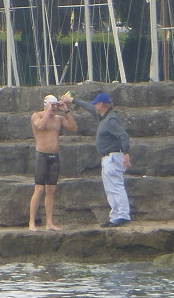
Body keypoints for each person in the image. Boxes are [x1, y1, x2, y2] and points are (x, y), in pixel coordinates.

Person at [63, 92, 131, 227]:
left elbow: (124, 136)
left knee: (116, 187)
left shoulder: (110, 120)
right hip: (107, 158)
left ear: (101, 104)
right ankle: (115, 216)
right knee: (110, 188)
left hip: (113, 157)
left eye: (96, 104)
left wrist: (126, 154)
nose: (94, 106)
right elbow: (88, 107)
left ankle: (123, 215)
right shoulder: (103, 117)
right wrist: (71, 100)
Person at [29, 95, 77, 231]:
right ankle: (31, 222)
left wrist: (66, 110)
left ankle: (49, 223)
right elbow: (40, 126)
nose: (55, 108)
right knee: (39, 189)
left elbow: (73, 128)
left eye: (56, 105)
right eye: (53, 105)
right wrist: (48, 111)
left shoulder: (58, 119)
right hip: (41, 155)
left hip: (54, 156)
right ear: (46, 104)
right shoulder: (36, 116)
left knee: (51, 190)